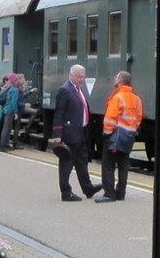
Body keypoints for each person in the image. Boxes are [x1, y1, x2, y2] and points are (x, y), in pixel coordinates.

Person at [50, 64, 101, 202]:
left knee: (82, 162)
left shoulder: (77, 89)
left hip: (81, 132)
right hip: (69, 133)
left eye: (83, 76)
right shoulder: (65, 90)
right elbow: (59, 113)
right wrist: (57, 135)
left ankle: (88, 188)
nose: (82, 79)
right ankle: (66, 192)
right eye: (79, 77)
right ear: (71, 75)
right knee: (66, 163)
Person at [96, 71, 143, 203]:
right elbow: (138, 118)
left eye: (116, 77)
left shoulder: (117, 97)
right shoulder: (137, 99)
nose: (115, 78)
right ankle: (121, 193)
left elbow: (110, 117)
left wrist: (107, 133)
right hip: (129, 136)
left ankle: (109, 194)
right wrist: (131, 130)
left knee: (108, 165)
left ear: (121, 80)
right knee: (123, 165)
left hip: (115, 135)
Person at [0, 74, 21, 151]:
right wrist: (16, 112)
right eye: (16, 80)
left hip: (6, 109)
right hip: (10, 110)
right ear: (15, 81)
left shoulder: (10, 89)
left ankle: (5, 144)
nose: (18, 81)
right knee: (6, 128)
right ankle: (2, 145)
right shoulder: (15, 90)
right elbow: (14, 102)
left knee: (8, 127)